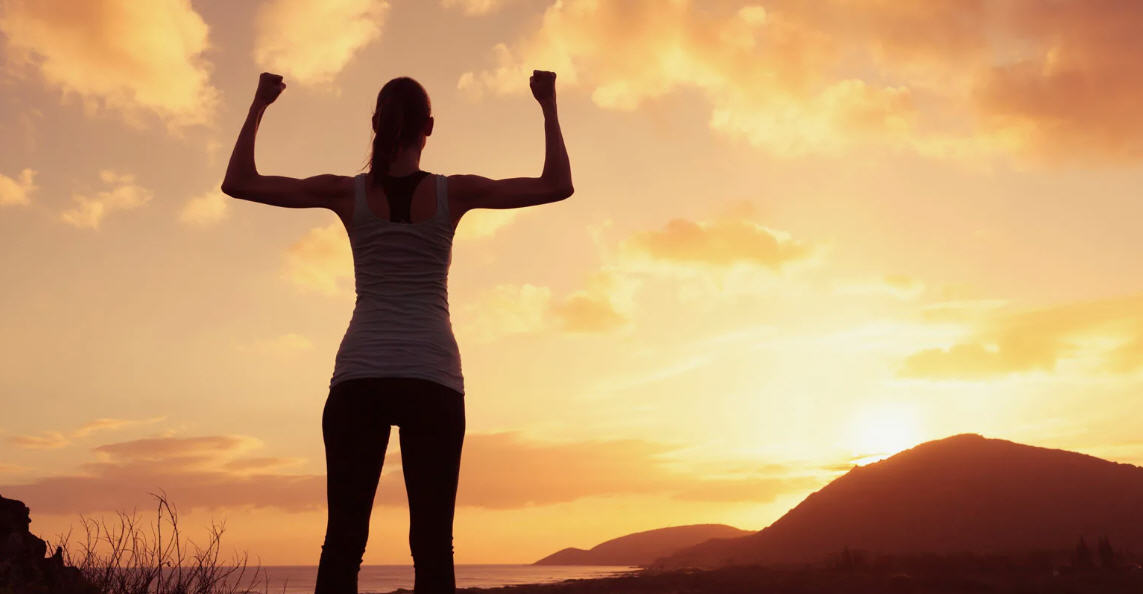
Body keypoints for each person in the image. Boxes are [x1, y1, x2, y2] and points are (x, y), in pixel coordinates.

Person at [221, 70, 573, 594]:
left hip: (359, 379)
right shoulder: (453, 193)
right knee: (433, 547)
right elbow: (555, 185)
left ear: (375, 125)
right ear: (429, 127)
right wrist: (547, 104)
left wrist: (258, 103)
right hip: (432, 379)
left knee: (342, 541)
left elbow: (240, 182)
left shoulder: (347, 193)